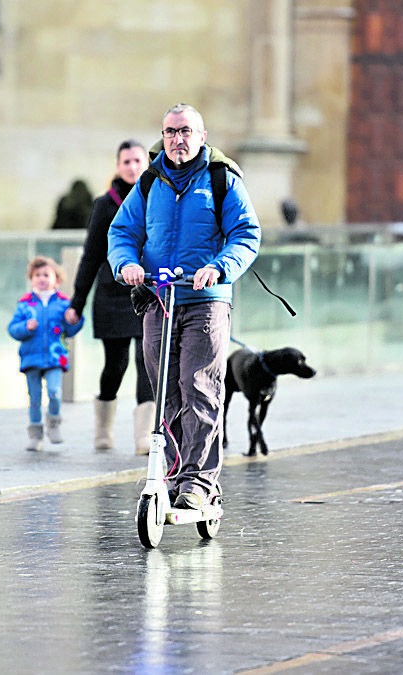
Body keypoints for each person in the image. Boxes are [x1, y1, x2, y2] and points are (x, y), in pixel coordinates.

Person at [108, 103, 262, 510]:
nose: (178, 139)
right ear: (163, 136)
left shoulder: (220, 179)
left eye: (186, 131)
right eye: (171, 132)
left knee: (200, 386)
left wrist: (219, 266)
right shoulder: (149, 182)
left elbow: (246, 233)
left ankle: (200, 481)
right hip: (161, 298)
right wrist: (126, 264)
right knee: (166, 393)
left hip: (206, 301)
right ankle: (174, 474)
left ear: (202, 136)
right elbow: (122, 230)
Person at [65, 140, 155, 453]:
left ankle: (143, 435)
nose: (132, 167)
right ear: (118, 166)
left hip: (149, 293)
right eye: (126, 161)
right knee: (115, 365)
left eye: (137, 161)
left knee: (147, 362)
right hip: (112, 297)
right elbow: (91, 255)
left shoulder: (157, 197)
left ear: (146, 163)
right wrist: (76, 302)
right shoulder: (106, 204)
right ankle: (103, 428)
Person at [8, 256, 84, 452]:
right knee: (34, 397)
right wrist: (26, 326)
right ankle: (35, 434)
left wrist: (74, 319)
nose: (41, 279)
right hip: (31, 357)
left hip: (54, 358)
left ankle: (54, 423)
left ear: (57, 280)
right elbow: (13, 329)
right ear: (31, 279)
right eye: (37, 275)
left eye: (46, 275)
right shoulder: (24, 304)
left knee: (54, 392)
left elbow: (72, 329)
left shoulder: (63, 303)